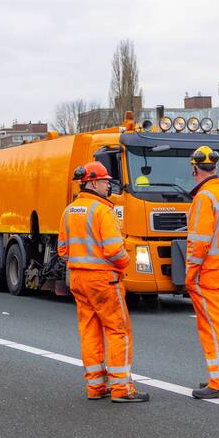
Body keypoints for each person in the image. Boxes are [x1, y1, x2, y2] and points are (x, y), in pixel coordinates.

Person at [58, 161, 149, 403]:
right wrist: (125, 262)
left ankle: (96, 386)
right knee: (118, 330)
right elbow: (114, 251)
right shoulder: (102, 211)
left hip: (78, 278)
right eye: (105, 181)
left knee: (89, 331)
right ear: (92, 183)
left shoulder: (69, 211)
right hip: (103, 280)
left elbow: (63, 250)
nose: (108, 185)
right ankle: (121, 389)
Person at [185, 146, 219, 399]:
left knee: (211, 327)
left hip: (208, 273)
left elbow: (199, 241)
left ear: (195, 168)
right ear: (215, 167)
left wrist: (190, 273)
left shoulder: (204, 198)